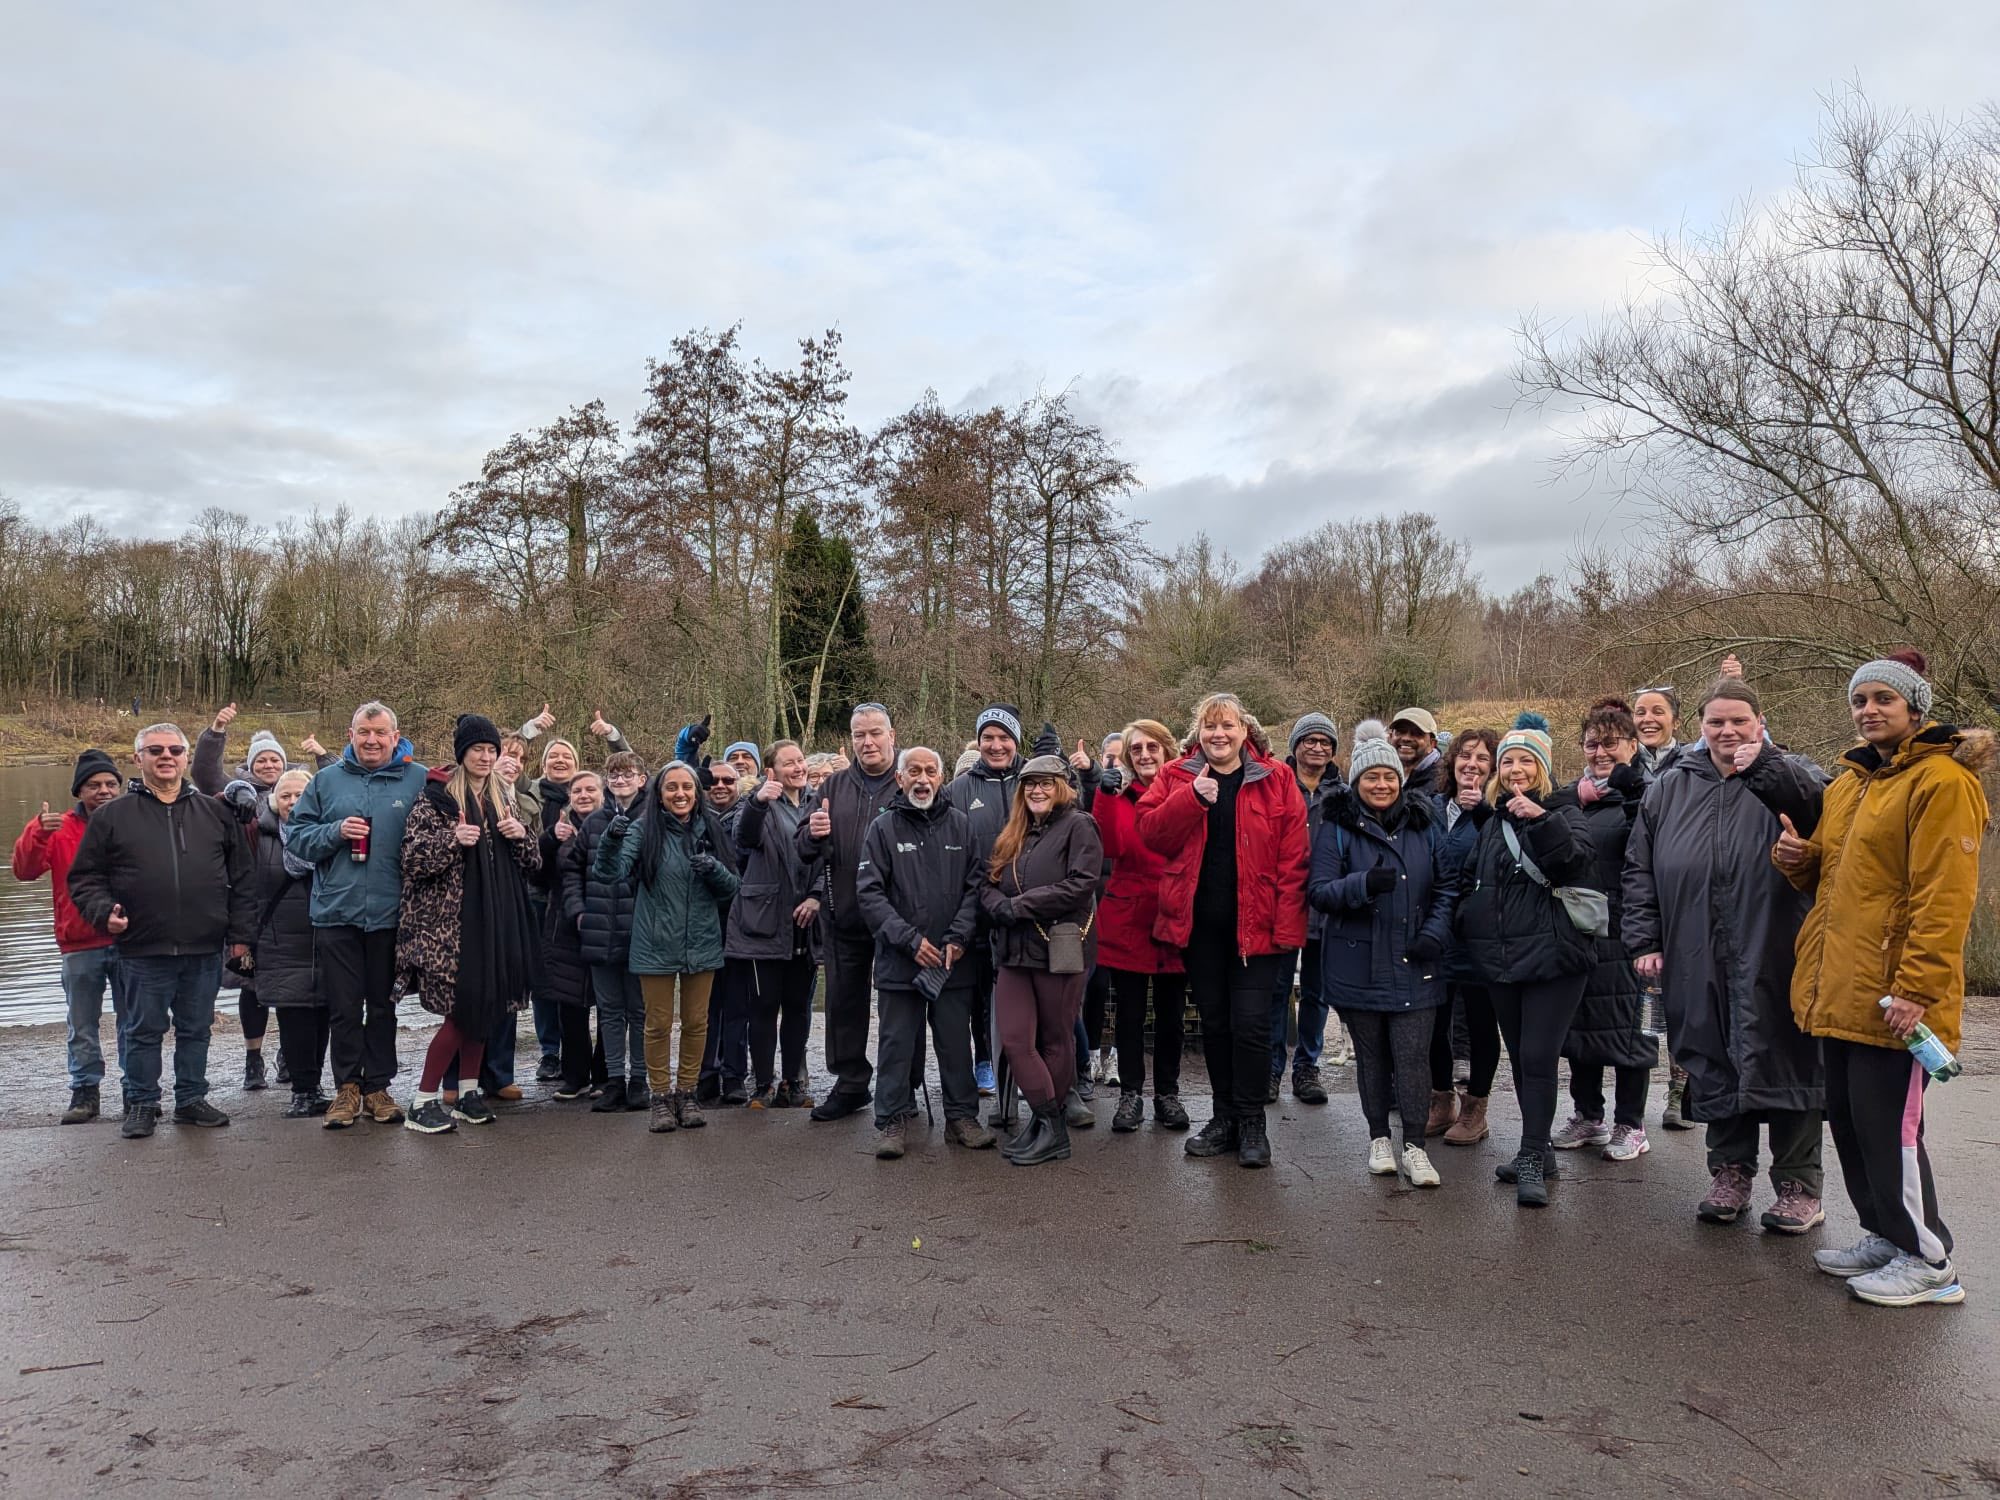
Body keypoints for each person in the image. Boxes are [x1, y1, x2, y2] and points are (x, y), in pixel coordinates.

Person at [1781, 652, 1987, 1306]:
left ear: (1914, 709)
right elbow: (1837, 881)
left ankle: (1928, 1260)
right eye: (1860, 700)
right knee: (1848, 1117)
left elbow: (1944, 896)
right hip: (1841, 988)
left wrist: (1917, 989)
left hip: (1896, 998)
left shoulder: (1942, 782)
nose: (1868, 709)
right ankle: (1885, 1233)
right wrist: (1797, 860)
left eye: (1882, 699)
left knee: (1890, 1131)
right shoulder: (1850, 782)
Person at [1624, 677, 1829, 1231]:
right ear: (1700, 728)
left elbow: (1819, 813)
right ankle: (1730, 1173)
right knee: (1712, 1056)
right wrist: (1644, 939)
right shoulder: (1669, 787)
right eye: (1716, 721)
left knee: (1787, 1056)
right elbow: (1639, 868)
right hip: (1696, 946)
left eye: (1739, 720)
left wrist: (1760, 765)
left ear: (1760, 723)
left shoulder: (1793, 773)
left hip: (1777, 943)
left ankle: (1798, 1185)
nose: (1728, 730)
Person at [1138, 692, 1308, 1169]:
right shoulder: (1177, 776)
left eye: (1228, 726)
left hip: (1259, 929)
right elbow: (1151, 833)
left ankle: (1252, 1120)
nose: (1219, 734)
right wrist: (1191, 800)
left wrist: (1288, 928)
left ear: (1244, 731)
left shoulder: (1278, 779)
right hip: (1201, 929)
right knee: (1216, 1026)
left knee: (1252, 1027)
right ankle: (1224, 1117)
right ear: (1199, 734)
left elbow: (1295, 859)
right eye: (1210, 727)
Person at [67, 723, 253, 1139]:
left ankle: (190, 1100)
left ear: (186, 757)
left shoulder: (215, 812)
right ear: (138, 759)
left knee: (195, 1028)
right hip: (141, 946)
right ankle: (142, 1102)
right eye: (155, 750)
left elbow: (243, 879)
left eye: (174, 749)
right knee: (142, 1030)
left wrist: (240, 936)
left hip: (204, 945)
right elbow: (85, 879)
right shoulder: (112, 816)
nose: (166, 756)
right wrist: (102, 914)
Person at [1451, 713, 1596, 1207]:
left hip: (1554, 959)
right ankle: (1541, 1151)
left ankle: (1532, 1154)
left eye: (1526, 761)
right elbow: (1473, 881)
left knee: (1537, 1058)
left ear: (1543, 769)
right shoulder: (1492, 823)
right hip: (1501, 961)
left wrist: (1541, 820)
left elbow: (1574, 861)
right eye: (1508, 760)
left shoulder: (1564, 809)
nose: (1516, 768)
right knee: (1520, 1056)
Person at [1308, 723, 1455, 1186]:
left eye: (1388, 777)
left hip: (1417, 960)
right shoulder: (1337, 828)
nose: (1381, 784)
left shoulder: (1425, 824)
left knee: (1413, 1058)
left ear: (1399, 779)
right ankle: (1378, 1138)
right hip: (1359, 963)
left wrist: (1434, 932)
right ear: (1357, 782)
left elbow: (1447, 887)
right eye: (1371, 777)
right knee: (1372, 1059)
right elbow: (1320, 892)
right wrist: (1363, 884)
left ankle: (1415, 1145)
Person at [396, 715, 542, 1135]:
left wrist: (522, 837)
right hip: (452, 927)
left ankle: (468, 1092)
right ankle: (422, 1101)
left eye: (491, 749)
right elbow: (412, 859)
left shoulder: (504, 799)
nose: (485, 756)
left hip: (499, 921)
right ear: (462, 752)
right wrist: (451, 840)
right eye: (478, 748)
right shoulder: (437, 798)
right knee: (461, 1014)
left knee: (489, 1008)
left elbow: (533, 865)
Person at [286, 701, 429, 1130]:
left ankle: (379, 1087)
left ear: (394, 735)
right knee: (344, 1008)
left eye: (379, 733)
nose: (371, 740)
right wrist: (334, 831)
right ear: (350, 736)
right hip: (337, 913)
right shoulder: (325, 781)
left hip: (394, 915)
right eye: (363, 733)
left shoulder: (419, 779)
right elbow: (295, 837)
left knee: (384, 1007)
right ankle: (347, 1088)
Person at [856, 746, 995, 1157]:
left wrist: (958, 938)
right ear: (899, 779)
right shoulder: (882, 830)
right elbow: (869, 894)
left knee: (955, 1044)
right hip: (901, 962)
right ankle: (892, 1121)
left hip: (953, 962)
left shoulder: (961, 826)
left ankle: (961, 1118)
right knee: (896, 1044)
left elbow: (976, 889)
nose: (921, 779)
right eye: (913, 771)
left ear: (941, 777)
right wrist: (909, 940)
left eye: (930, 771)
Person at [192, 705, 336, 1088]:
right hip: (264, 922)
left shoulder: (322, 819)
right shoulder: (248, 812)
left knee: (308, 1000)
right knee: (254, 994)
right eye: (263, 760)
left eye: (276, 759)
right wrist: (217, 729)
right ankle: (253, 1058)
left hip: (314, 929)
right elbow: (206, 776)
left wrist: (323, 755)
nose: (270, 765)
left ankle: (292, 1061)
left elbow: (339, 781)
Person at [595, 761, 741, 1133]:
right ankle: (661, 1098)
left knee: (696, 1023)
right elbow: (608, 873)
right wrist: (611, 839)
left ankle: (687, 1094)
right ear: (659, 794)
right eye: (672, 788)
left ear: (696, 792)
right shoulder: (644, 830)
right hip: (655, 942)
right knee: (657, 1024)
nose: (680, 794)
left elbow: (733, 888)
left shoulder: (710, 827)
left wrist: (714, 870)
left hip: (703, 941)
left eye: (687, 787)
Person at [1546, 700, 1657, 1162]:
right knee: (1581, 1028)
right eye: (1592, 744)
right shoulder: (1576, 794)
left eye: (1610, 743)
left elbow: (1655, 848)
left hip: (1630, 929)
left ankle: (1631, 1123)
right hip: (1581, 930)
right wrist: (1578, 798)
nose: (1600, 752)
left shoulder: (1650, 792)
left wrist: (1631, 795)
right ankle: (1588, 1115)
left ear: (1632, 745)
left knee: (1633, 1032)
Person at [981, 754, 1104, 1166]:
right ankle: (1048, 1122)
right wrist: (996, 902)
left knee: (1055, 1039)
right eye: (1030, 783)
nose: (1036, 789)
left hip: (1059, 948)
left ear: (1062, 786)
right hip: (1015, 952)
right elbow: (989, 880)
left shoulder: (1079, 825)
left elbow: (1081, 884)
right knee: (1016, 1039)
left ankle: (1049, 1130)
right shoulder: (1015, 830)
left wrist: (1018, 907)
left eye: (1046, 783)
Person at [795, 703, 904, 1122]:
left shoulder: (907, 781)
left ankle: (901, 1087)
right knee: (843, 1003)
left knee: (899, 1006)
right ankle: (851, 1083)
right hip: (842, 914)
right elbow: (801, 846)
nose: (868, 742)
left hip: (898, 917)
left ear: (892, 735)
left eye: (875, 732)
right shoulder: (832, 787)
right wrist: (812, 833)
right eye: (860, 734)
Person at [13, 749, 127, 1123]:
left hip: (131, 941)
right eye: (94, 785)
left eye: (111, 784)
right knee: (82, 1025)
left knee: (136, 1022)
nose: (104, 791)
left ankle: (137, 1090)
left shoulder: (133, 823)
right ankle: (85, 1093)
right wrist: (36, 832)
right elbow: (25, 871)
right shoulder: (58, 828)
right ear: (79, 791)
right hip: (79, 943)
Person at [1092, 719, 1189, 1133]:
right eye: (1136, 750)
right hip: (1130, 915)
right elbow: (1108, 846)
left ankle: (1167, 1094)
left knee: (1171, 1014)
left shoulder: (1187, 792)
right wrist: (1103, 792)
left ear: (1166, 750)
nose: (1145, 755)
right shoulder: (1120, 794)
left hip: (1175, 912)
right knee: (1129, 1014)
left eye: (1152, 747)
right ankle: (1131, 1093)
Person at [724, 741, 824, 1109]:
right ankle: (763, 1083)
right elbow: (743, 838)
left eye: (800, 760)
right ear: (771, 771)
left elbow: (828, 858)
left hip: (806, 920)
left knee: (799, 1006)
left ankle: (792, 1083)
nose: (797, 767)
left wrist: (817, 896)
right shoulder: (758, 804)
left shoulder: (818, 801)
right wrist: (757, 801)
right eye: (788, 763)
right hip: (765, 920)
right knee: (764, 1006)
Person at [944, 702, 1025, 1101]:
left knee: (1025, 993)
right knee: (977, 993)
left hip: (1024, 909)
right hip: (974, 908)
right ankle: (984, 1060)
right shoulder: (959, 789)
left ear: (1016, 741)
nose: (995, 745)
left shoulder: (1034, 781)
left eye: (1004, 737)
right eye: (988, 738)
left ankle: (1028, 1068)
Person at [249, 769, 332, 1117]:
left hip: (326, 936)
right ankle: (303, 1091)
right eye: (286, 796)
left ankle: (314, 1086)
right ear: (274, 800)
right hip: (279, 939)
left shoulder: (328, 835)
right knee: (294, 1015)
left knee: (323, 1014)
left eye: (301, 795)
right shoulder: (258, 836)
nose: (294, 802)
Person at [1433, 727, 1502, 1146]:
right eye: (1465, 756)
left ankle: (1476, 1107)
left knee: (1480, 1024)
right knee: (1433, 1023)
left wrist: (1482, 813)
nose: (1471, 765)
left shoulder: (1497, 814)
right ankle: (1440, 1101)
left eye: (1481, 758)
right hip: (1437, 935)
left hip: (1480, 938)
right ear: (1452, 761)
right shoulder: (1434, 807)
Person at [1271, 711, 1342, 1106]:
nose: (1317, 748)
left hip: (1326, 906)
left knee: (1317, 992)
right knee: (1277, 989)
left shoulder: (1343, 793)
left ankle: (1307, 1067)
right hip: (1283, 901)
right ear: (1295, 746)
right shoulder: (1276, 785)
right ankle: (1271, 1068)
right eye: (1309, 740)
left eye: (1325, 742)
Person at [573, 750, 649, 1111]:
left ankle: (640, 1081)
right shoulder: (593, 823)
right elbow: (572, 871)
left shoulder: (654, 819)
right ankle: (614, 1080)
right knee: (609, 1011)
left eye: (627, 774)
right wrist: (578, 912)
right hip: (599, 928)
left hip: (642, 932)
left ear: (642, 779)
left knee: (640, 1010)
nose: (620, 780)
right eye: (614, 775)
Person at [1630, 682, 1690, 1128]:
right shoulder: (1624, 765)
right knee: (1645, 1001)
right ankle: (1632, 1106)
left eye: (1657, 711)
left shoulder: (1692, 763)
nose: (1648, 719)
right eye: (1641, 712)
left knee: (1683, 1001)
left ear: (1675, 719)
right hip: (1639, 889)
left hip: (1682, 892)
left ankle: (1681, 1093)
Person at [542, 769, 605, 1102]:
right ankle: (575, 1074)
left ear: (602, 793)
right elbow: (538, 876)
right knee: (570, 1006)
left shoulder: (616, 824)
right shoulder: (559, 829)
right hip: (564, 928)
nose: (583, 795)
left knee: (609, 1004)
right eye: (577, 790)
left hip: (607, 925)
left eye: (590, 789)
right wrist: (551, 840)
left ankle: (605, 1075)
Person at [695, 756, 751, 1103]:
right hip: (702, 923)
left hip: (741, 922)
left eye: (728, 781)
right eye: (713, 780)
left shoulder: (751, 817)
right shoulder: (692, 819)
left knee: (737, 1007)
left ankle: (734, 1075)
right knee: (704, 1008)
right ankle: (705, 1074)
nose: (720, 786)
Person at [1388, 708, 1443, 783]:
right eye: (1400, 731)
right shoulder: (1379, 770)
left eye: (1417, 733)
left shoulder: (1443, 782)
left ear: (1432, 744)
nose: (1406, 738)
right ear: (1390, 737)